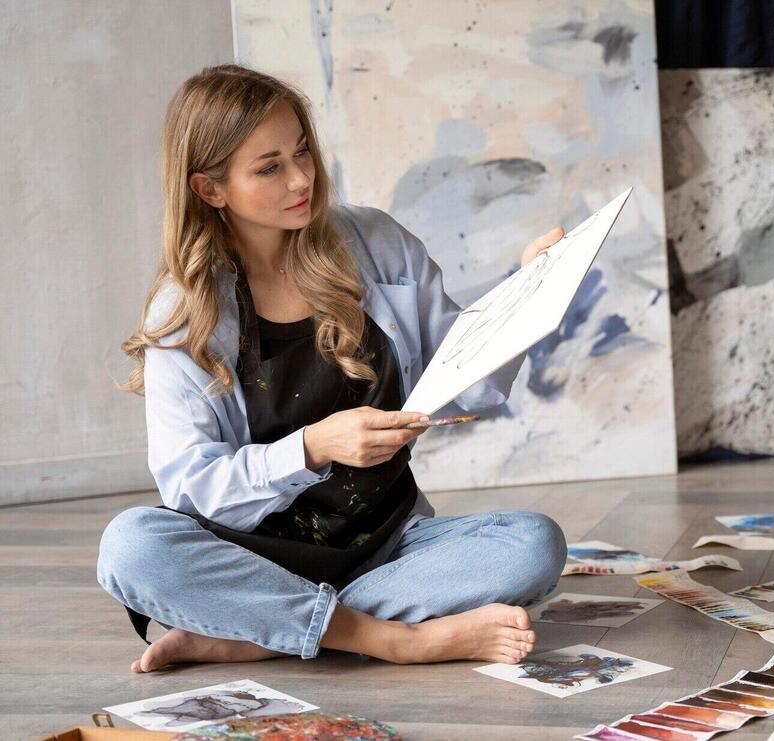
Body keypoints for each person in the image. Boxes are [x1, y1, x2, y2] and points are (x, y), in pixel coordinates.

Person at [97, 64, 569, 674]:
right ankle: (392, 639)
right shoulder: (186, 313)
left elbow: (461, 377)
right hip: (250, 559)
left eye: (301, 152)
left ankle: (264, 630)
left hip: (388, 545)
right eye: (269, 167)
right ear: (211, 190)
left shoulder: (376, 241)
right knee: (132, 547)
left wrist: (524, 297)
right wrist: (313, 447)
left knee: (534, 543)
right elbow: (195, 490)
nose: (302, 179)